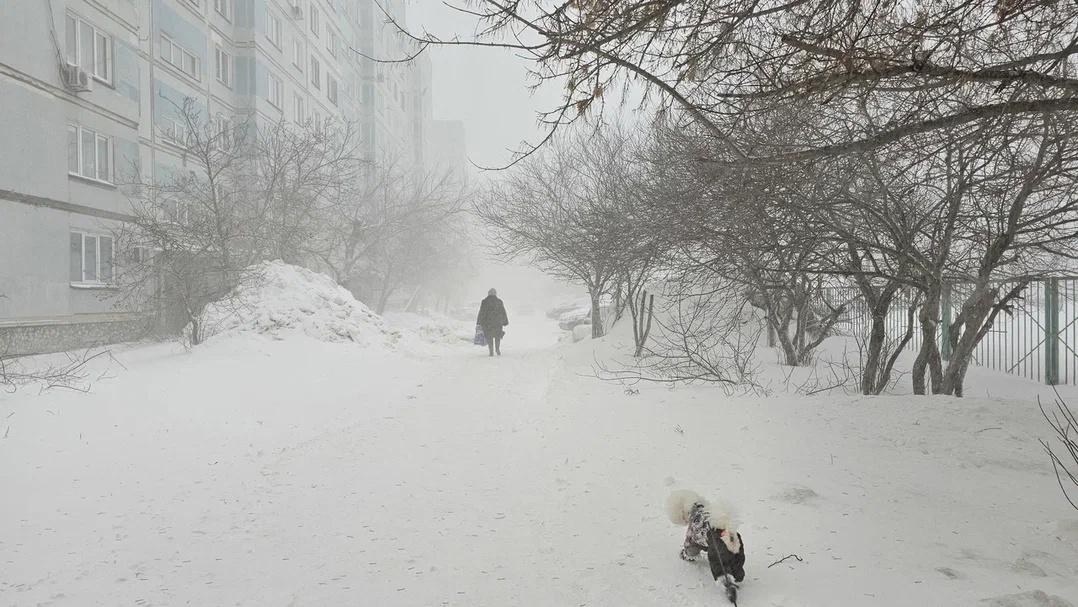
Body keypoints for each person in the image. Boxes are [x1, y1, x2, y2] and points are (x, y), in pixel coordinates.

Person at [476, 288, 509, 357]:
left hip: (488, 323)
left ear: (488, 294)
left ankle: (491, 351)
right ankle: (497, 349)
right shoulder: (499, 301)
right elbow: (503, 312)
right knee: (497, 336)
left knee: (489, 337)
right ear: (495, 294)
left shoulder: (484, 301)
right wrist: (505, 321)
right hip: (498, 322)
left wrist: (479, 321)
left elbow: (482, 312)